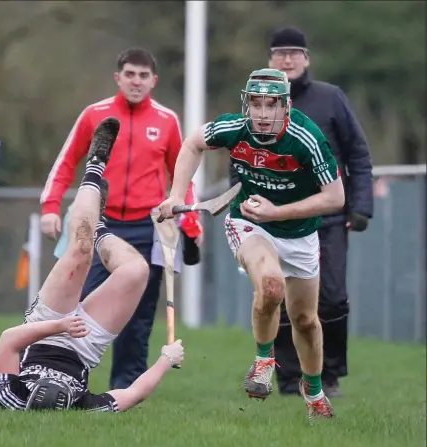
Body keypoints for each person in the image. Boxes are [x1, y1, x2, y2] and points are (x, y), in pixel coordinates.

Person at [158, 68, 345, 420]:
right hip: (249, 224)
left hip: (299, 232)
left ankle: (314, 392)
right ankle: (264, 360)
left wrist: (278, 212)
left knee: (305, 320)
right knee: (271, 287)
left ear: (285, 106)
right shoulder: (236, 127)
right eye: (256, 104)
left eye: (270, 104)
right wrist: (174, 195)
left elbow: (335, 197)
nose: (261, 114)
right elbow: (193, 143)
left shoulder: (306, 137)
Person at [0, 118, 185, 412]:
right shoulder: (83, 408)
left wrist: (59, 325)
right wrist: (167, 360)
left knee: (81, 250)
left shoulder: (11, 398)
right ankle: (99, 228)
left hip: (45, 327)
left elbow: (8, 340)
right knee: (137, 271)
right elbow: (132, 394)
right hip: (84, 349)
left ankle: (95, 165)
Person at [39, 48, 201, 390]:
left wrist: (191, 223)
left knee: (138, 317)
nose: (136, 82)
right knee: (77, 305)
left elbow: (182, 175)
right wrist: (50, 207)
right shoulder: (94, 114)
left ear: (154, 81)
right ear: (118, 78)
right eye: (130, 74)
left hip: (148, 228)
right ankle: (62, 377)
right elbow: (66, 162)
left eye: (143, 76)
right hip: (99, 226)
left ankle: (124, 389)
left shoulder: (167, 120)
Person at [265, 27, 374, 397]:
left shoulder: (331, 99)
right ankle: (288, 378)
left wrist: (361, 206)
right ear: (270, 61)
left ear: (307, 59)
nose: (288, 59)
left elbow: (358, 153)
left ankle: (328, 374)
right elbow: (241, 157)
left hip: (327, 221)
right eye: (280, 53)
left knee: (330, 299)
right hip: (276, 223)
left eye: (295, 53)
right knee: (277, 296)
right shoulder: (261, 103)